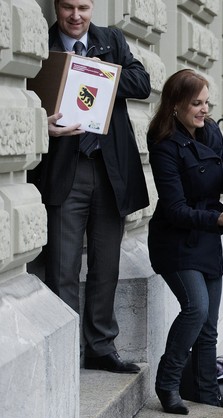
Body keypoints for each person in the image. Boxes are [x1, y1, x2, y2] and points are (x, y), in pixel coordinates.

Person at [28, 0, 150, 373]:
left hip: (109, 166)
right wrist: (39, 123)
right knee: (63, 267)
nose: (76, 16)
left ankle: (100, 346)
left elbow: (142, 83)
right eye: (68, 7)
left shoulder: (110, 40)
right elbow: (25, 98)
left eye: (83, 7)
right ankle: (64, 352)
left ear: (92, 7)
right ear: (56, 8)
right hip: (66, 167)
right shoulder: (40, 45)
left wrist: (101, 72)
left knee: (106, 264)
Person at [146, 70, 223, 415]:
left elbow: (211, 183)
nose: (204, 109)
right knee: (196, 308)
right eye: (196, 103)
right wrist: (217, 219)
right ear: (176, 105)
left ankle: (208, 397)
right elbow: (176, 208)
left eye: (207, 102)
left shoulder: (210, 133)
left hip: (207, 237)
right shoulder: (164, 144)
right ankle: (168, 381)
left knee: (208, 328)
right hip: (176, 241)